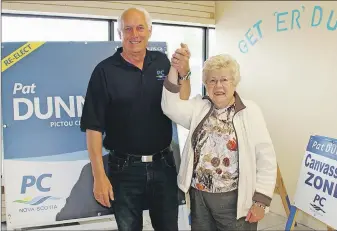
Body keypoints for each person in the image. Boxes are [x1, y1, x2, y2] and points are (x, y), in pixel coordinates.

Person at [80, 7, 191, 231]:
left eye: (140, 28)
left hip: (164, 165)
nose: (134, 34)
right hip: (124, 170)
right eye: (128, 29)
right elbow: (93, 128)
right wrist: (99, 176)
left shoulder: (161, 62)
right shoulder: (104, 71)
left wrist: (184, 72)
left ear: (149, 31)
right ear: (120, 33)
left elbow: (183, 98)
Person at [161, 54, 277, 230]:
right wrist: (175, 68)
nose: (218, 86)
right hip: (199, 196)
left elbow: (266, 158)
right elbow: (170, 107)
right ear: (206, 84)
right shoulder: (199, 107)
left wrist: (261, 201)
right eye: (212, 80)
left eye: (224, 79)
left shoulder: (250, 111)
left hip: (234, 199)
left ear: (234, 82)